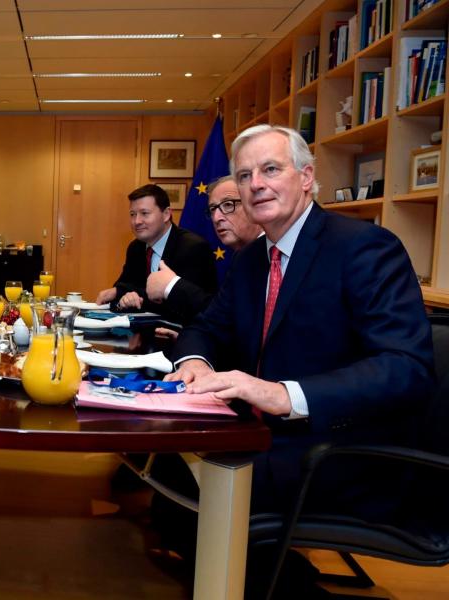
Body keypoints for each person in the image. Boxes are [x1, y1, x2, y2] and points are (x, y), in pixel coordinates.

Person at [159, 124, 434, 595]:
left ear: (306, 177)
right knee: (169, 484)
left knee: (207, 494)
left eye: (270, 169)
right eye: (244, 176)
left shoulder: (365, 247)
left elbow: (404, 368)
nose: (255, 184)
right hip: (271, 438)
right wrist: (197, 362)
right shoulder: (251, 262)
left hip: (343, 448)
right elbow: (205, 328)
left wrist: (283, 394)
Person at [94, 183, 217, 326]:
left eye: (144, 213)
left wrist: (136, 296)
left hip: (183, 334)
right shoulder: (136, 248)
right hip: (143, 333)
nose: (136, 221)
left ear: (166, 214)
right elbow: (122, 288)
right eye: (132, 214)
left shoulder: (193, 247)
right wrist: (123, 295)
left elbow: (190, 304)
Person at [144, 176, 262, 323]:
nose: (217, 217)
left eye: (228, 204)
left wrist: (171, 285)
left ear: (255, 205)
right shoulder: (241, 256)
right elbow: (226, 319)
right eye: (213, 209)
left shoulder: (269, 255)